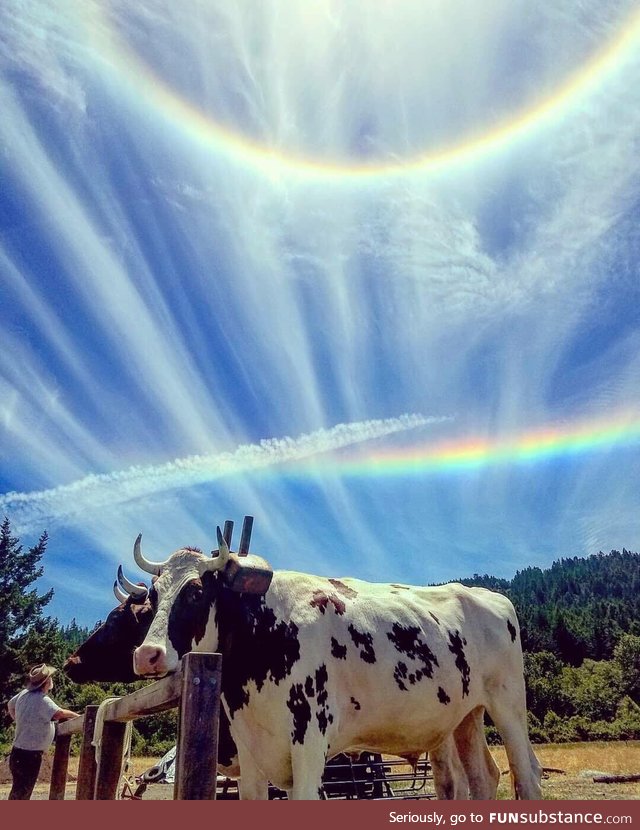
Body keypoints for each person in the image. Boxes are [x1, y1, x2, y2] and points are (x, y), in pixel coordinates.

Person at [6, 663, 80, 800]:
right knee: (22, 793)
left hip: (18, 752)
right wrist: (78, 717)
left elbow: (10, 704)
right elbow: (59, 713)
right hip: (30, 756)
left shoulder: (23, 694)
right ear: (47, 682)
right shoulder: (42, 700)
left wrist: (18, 719)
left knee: (18, 791)